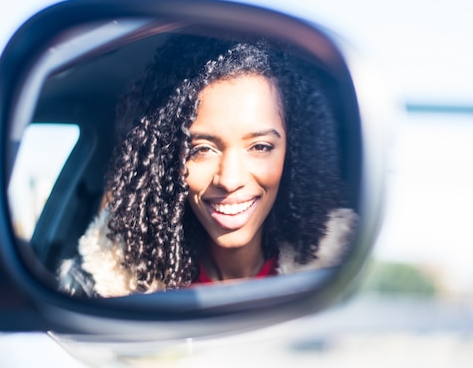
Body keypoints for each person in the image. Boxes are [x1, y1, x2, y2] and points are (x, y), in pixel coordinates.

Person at [58, 34, 357, 298]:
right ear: (167, 160)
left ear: (293, 154)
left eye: (260, 147)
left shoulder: (340, 264)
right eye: (202, 149)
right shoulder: (109, 285)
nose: (229, 179)